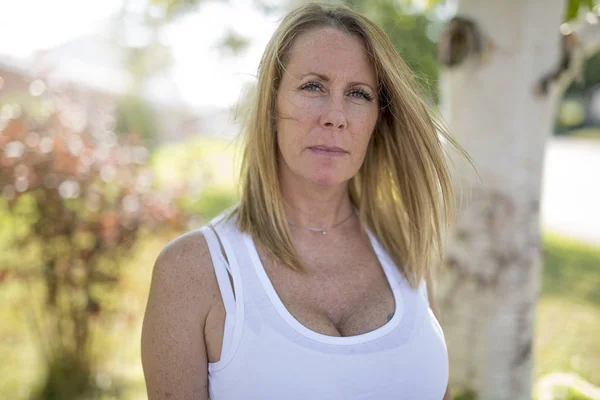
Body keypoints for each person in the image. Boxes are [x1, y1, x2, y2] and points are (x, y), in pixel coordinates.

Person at [142, 2, 467, 399]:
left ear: (376, 119)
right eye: (313, 86)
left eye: (358, 94)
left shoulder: (403, 246)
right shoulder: (194, 271)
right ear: (272, 104)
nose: (335, 116)